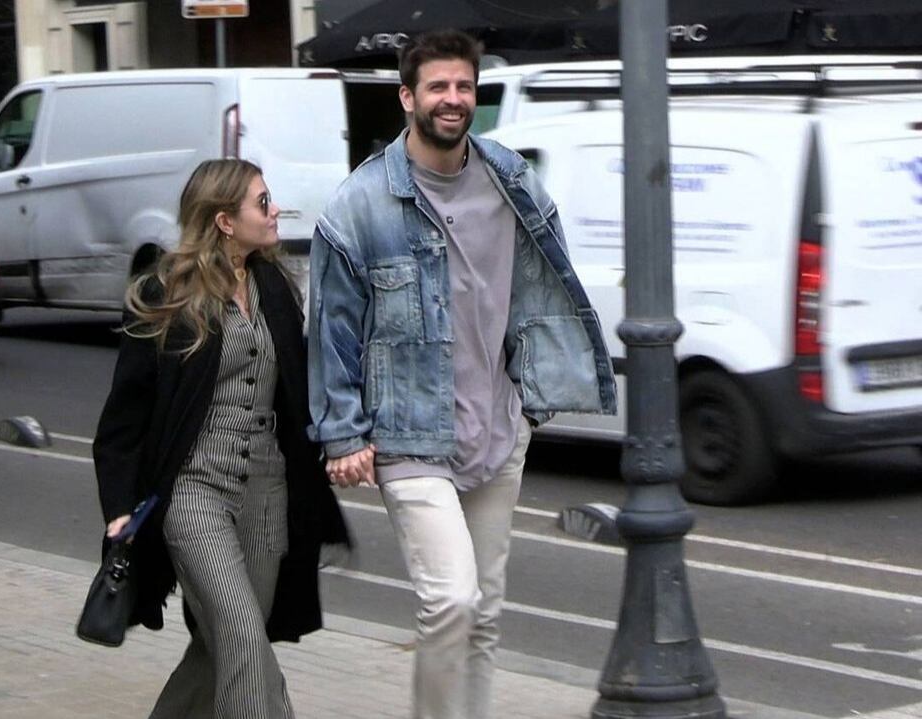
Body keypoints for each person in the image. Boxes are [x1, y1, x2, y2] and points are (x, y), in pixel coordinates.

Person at [307, 30, 617, 719]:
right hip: (410, 432)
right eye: (439, 87)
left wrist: (533, 398)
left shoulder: (512, 178)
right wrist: (341, 433)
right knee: (450, 597)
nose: (453, 100)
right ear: (407, 97)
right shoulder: (360, 204)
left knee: (486, 611)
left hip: (499, 427)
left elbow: (549, 288)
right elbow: (329, 327)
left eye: (464, 87)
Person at [94, 159, 348, 719]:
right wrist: (118, 507)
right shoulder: (168, 294)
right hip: (193, 492)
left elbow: (302, 386)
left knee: (226, 646)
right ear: (225, 221)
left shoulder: (275, 287)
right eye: (262, 202)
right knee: (239, 635)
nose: (275, 209)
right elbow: (123, 418)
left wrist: (345, 441)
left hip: (266, 492)